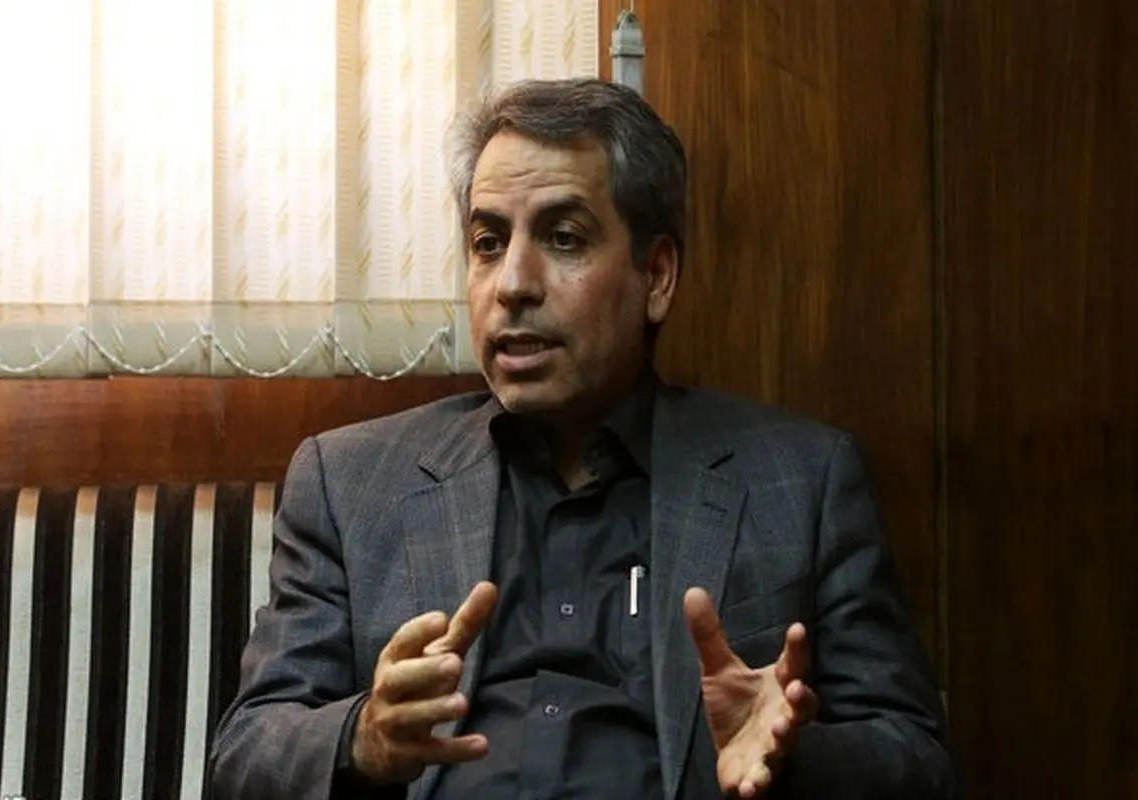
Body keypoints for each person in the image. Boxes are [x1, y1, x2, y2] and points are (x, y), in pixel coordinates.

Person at [208, 77, 958, 799]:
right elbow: (245, 756)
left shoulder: (802, 480)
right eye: (487, 242)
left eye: (563, 238)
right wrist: (362, 739)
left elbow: (919, 763)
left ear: (655, 276)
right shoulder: (350, 482)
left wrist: (793, 758)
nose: (512, 284)